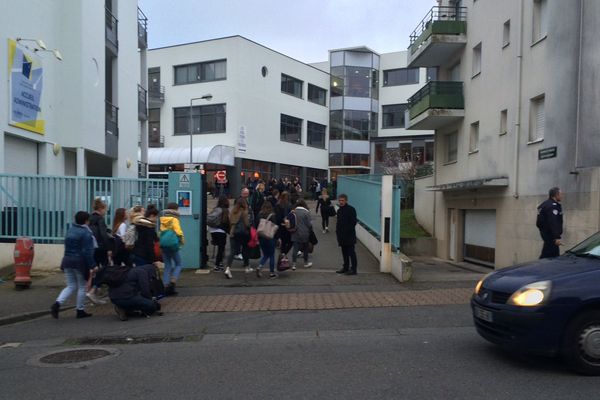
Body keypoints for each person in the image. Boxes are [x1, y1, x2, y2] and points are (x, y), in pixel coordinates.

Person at [50, 211, 96, 319]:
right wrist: (92, 265)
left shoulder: (70, 230)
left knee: (71, 285)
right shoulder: (86, 233)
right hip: (79, 262)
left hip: (67, 260)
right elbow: (88, 252)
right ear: (86, 221)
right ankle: (80, 310)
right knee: (82, 286)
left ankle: (57, 304)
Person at [87, 198, 112, 304]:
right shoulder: (100, 219)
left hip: (92, 247)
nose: (105, 212)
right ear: (101, 209)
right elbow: (103, 235)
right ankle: (94, 290)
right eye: (105, 210)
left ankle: (94, 293)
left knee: (95, 270)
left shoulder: (89, 218)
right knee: (105, 269)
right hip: (101, 247)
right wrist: (109, 248)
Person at [159, 202, 185, 296]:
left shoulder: (162, 219)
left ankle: (165, 286)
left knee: (167, 266)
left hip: (163, 244)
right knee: (179, 264)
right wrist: (182, 241)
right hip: (173, 244)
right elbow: (178, 232)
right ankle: (173, 282)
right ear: (175, 210)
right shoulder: (174, 219)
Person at [225, 198, 251, 279]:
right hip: (243, 234)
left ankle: (228, 268)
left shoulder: (233, 211)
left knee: (232, 251)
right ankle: (247, 267)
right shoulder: (244, 212)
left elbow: (230, 222)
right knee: (245, 249)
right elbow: (247, 224)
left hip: (233, 233)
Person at [537, 187, 563, 259]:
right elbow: (553, 222)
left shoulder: (543, 205)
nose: (561, 196)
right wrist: (556, 237)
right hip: (551, 237)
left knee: (550, 255)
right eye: (560, 194)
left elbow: (538, 223)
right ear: (556, 195)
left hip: (546, 235)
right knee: (550, 257)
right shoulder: (552, 206)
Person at [336, 194, 358, 275]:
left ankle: (353, 269)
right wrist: (338, 233)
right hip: (341, 236)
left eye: (342, 200)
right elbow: (338, 223)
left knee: (351, 253)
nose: (341, 202)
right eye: (340, 200)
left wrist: (347, 231)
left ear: (346, 201)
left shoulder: (351, 209)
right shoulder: (339, 211)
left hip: (349, 235)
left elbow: (353, 222)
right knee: (344, 253)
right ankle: (346, 267)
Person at [257, 201, 278, 278]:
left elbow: (256, 225)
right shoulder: (272, 215)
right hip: (270, 237)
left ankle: (260, 266)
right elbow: (275, 227)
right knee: (271, 255)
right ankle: (271, 272)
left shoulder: (259, 215)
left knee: (265, 254)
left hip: (261, 237)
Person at [209, 196, 230, 272]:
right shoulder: (225, 210)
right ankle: (217, 265)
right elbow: (226, 222)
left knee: (219, 248)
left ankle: (219, 263)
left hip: (212, 230)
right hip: (221, 231)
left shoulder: (215, 209)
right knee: (221, 249)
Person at [291, 199, 313, 270]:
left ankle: (294, 264)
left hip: (295, 232)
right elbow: (309, 224)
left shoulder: (293, 211)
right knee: (305, 248)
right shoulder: (306, 212)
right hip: (305, 233)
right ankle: (305, 263)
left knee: (295, 248)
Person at [275, 191, 294, 260]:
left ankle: (283, 255)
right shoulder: (289, 205)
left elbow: (277, 217)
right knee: (290, 241)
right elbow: (290, 216)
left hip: (280, 226)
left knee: (283, 242)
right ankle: (283, 254)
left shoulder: (278, 204)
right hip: (287, 226)